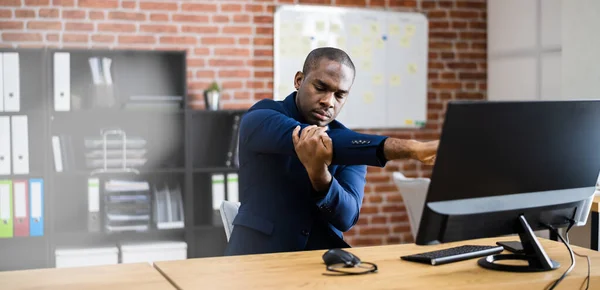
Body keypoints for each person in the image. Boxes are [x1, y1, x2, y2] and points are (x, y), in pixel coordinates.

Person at [224, 47, 439, 256]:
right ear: (299, 80)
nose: (328, 101)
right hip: (258, 259)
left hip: (321, 263)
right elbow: (313, 139)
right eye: (320, 87)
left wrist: (321, 176)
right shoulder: (261, 117)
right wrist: (411, 148)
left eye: (339, 95)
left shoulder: (353, 146)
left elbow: (346, 218)